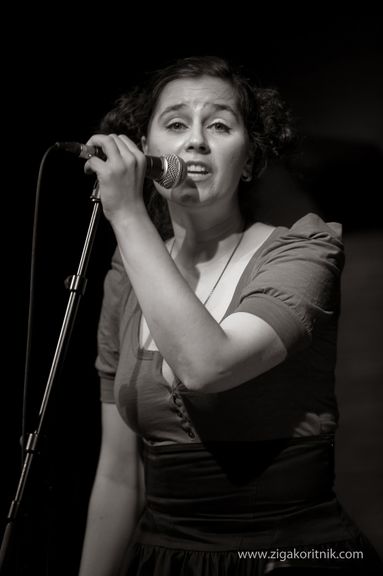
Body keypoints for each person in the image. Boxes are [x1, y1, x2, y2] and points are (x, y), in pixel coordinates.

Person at [77, 55, 382, 575]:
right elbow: (117, 473)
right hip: (163, 558)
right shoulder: (127, 275)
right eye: (175, 124)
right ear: (146, 150)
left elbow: (206, 365)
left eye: (219, 125)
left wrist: (126, 214)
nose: (195, 140)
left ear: (249, 158)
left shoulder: (306, 252)